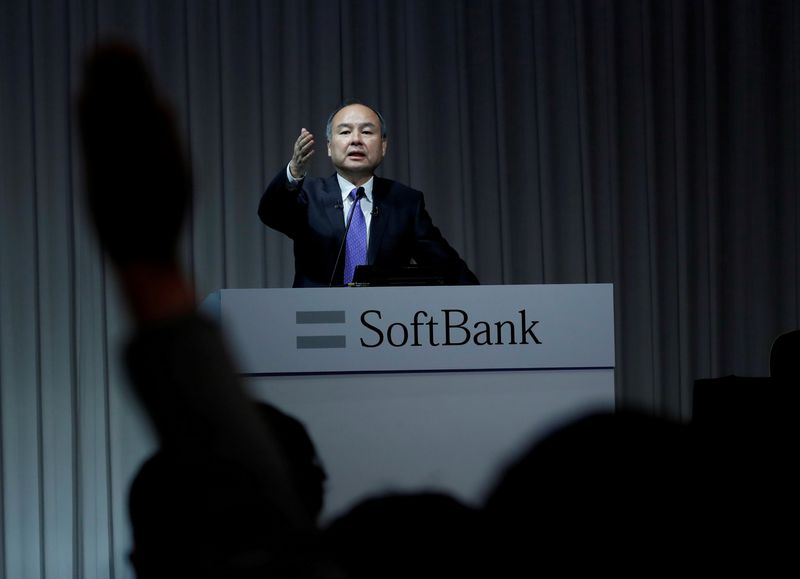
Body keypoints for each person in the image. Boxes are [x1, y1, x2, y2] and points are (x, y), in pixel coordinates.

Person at [258, 100, 479, 287]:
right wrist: (294, 172)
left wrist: (487, 302)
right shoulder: (307, 195)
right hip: (318, 323)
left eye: (366, 132)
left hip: (382, 327)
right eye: (345, 132)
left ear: (383, 146)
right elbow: (271, 212)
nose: (356, 140)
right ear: (328, 146)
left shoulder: (405, 202)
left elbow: (447, 268)